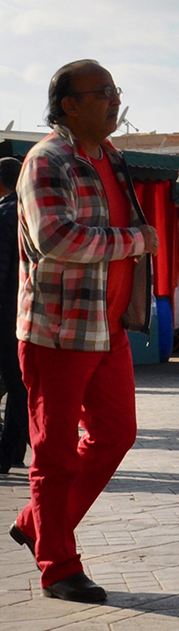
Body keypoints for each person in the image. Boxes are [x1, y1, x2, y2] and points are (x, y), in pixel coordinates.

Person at [8, 60, 159, 603]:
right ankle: (58, 566)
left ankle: (35, 525)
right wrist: (135, 241)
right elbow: (57, 239)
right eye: (102, 93)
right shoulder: (48, 161)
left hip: (107, 328)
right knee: (55, 452)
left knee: (116, 435)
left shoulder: (110, 158)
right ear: (69, 105)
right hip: (58, 331)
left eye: (116, 90)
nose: (114, 100)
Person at [0, 157, 28, 474]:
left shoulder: (6, 214)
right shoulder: (32, 213)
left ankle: (6, 453)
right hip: (29, 312)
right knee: (19, 385)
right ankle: (13, 449)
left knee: (15, 383)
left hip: (6, 313)